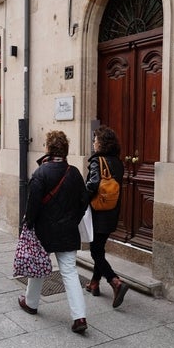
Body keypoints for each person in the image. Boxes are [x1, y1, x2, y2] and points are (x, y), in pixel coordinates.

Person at [18, 130, 89, 333]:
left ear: (48, 149)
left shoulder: (40, 173)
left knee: (37, 265)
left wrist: (28, 225)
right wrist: (73, 220)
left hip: (43, 231)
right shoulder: (74, 173)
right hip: (67, 230)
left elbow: (32, 207)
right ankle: (79, 317)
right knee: (69, 271)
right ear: (65, 151)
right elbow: (84, 202)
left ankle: (31, 303)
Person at [85, 125, 129, 308]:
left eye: (95, 140)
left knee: (95, 251)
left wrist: (81, 199)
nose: (94, 143)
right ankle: (94, 284)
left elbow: (93, 184)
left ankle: (115, 281)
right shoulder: (118, 162)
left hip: (98, 212)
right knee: (100, 249)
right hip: (112, 212)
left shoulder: (98, 161)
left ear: (101, 143)